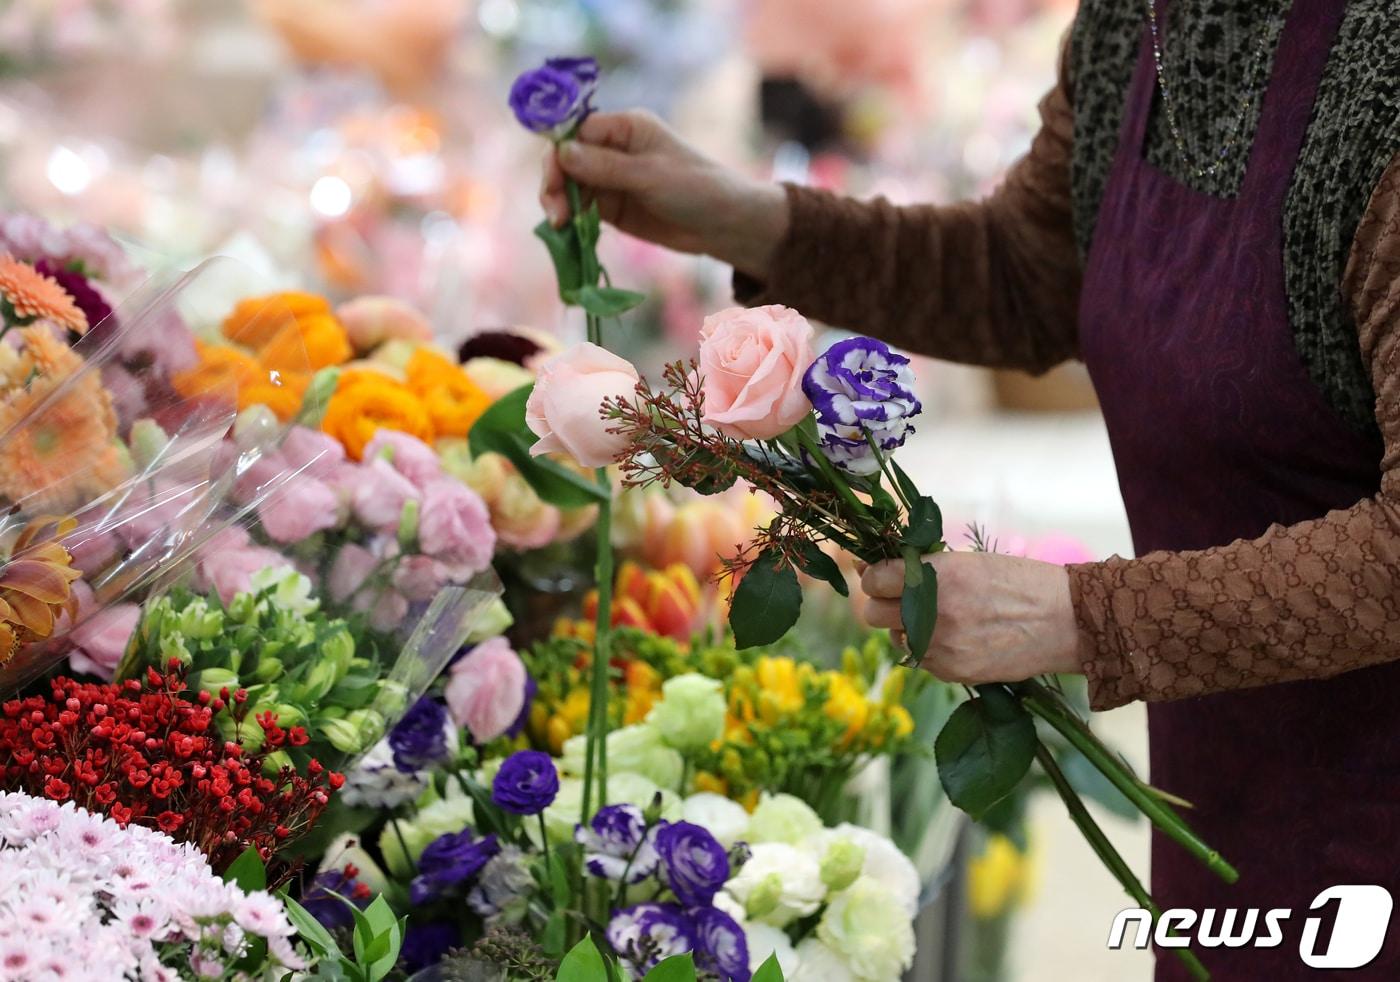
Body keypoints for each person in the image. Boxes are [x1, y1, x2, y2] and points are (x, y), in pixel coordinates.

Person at [541, 2, 1400, 978]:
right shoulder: (1142, 23)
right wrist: (742, 217)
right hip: (1236, 794)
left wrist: (1090, 617)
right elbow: (1034, 275)